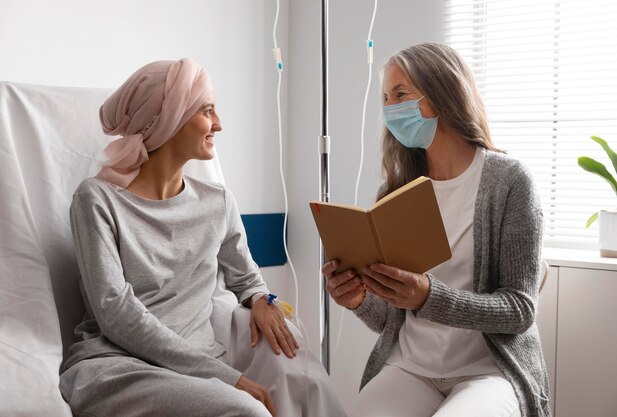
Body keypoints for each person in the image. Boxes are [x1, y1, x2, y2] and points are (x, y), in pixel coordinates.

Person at [59, 58, 345, 417]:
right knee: (248, 411)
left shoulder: (217, 202)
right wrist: (226, 377)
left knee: (308, 383)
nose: (219, 124)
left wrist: (259, 298)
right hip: (117, 368)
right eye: (207, 110)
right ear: (169, 118)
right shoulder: (96, 200)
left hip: (193, 372)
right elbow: (115, 313)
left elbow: (246, 277)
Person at [323, 42, 550, 417]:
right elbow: (388, 319)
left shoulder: (509, 182)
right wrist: (358, 299)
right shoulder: (394, 192)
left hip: (488, 372)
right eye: (385, 98)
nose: (390, 108)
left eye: (401, 94)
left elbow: (519, 310)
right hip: (412, 366)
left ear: (443, 93)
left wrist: (429, 297)